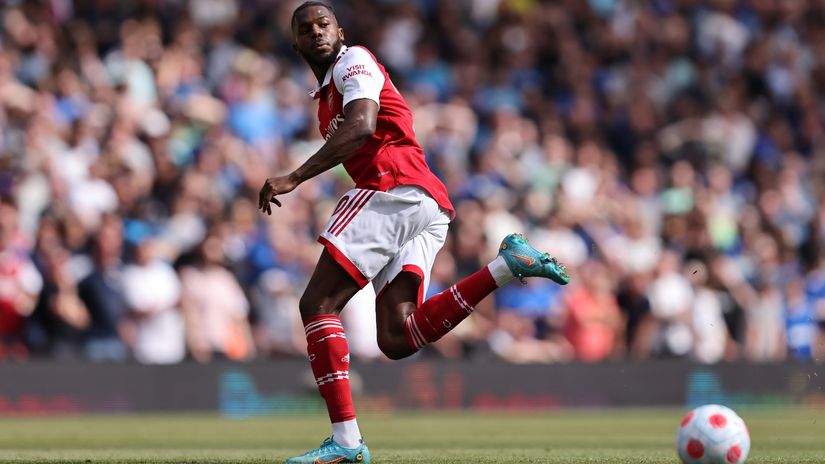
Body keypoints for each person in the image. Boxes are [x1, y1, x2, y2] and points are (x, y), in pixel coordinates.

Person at [257, 3, 569, 462]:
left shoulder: (354, 61)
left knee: (317, 304)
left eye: (324, 24)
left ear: (339, 30)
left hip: (393, 187)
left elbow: (363, 125)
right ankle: (507, 266)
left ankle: (346, 442)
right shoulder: (324, 92)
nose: (317, 32)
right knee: (398, 338)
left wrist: (295, 176)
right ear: (295, 43)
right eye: (306, 29)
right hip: (426, 201)